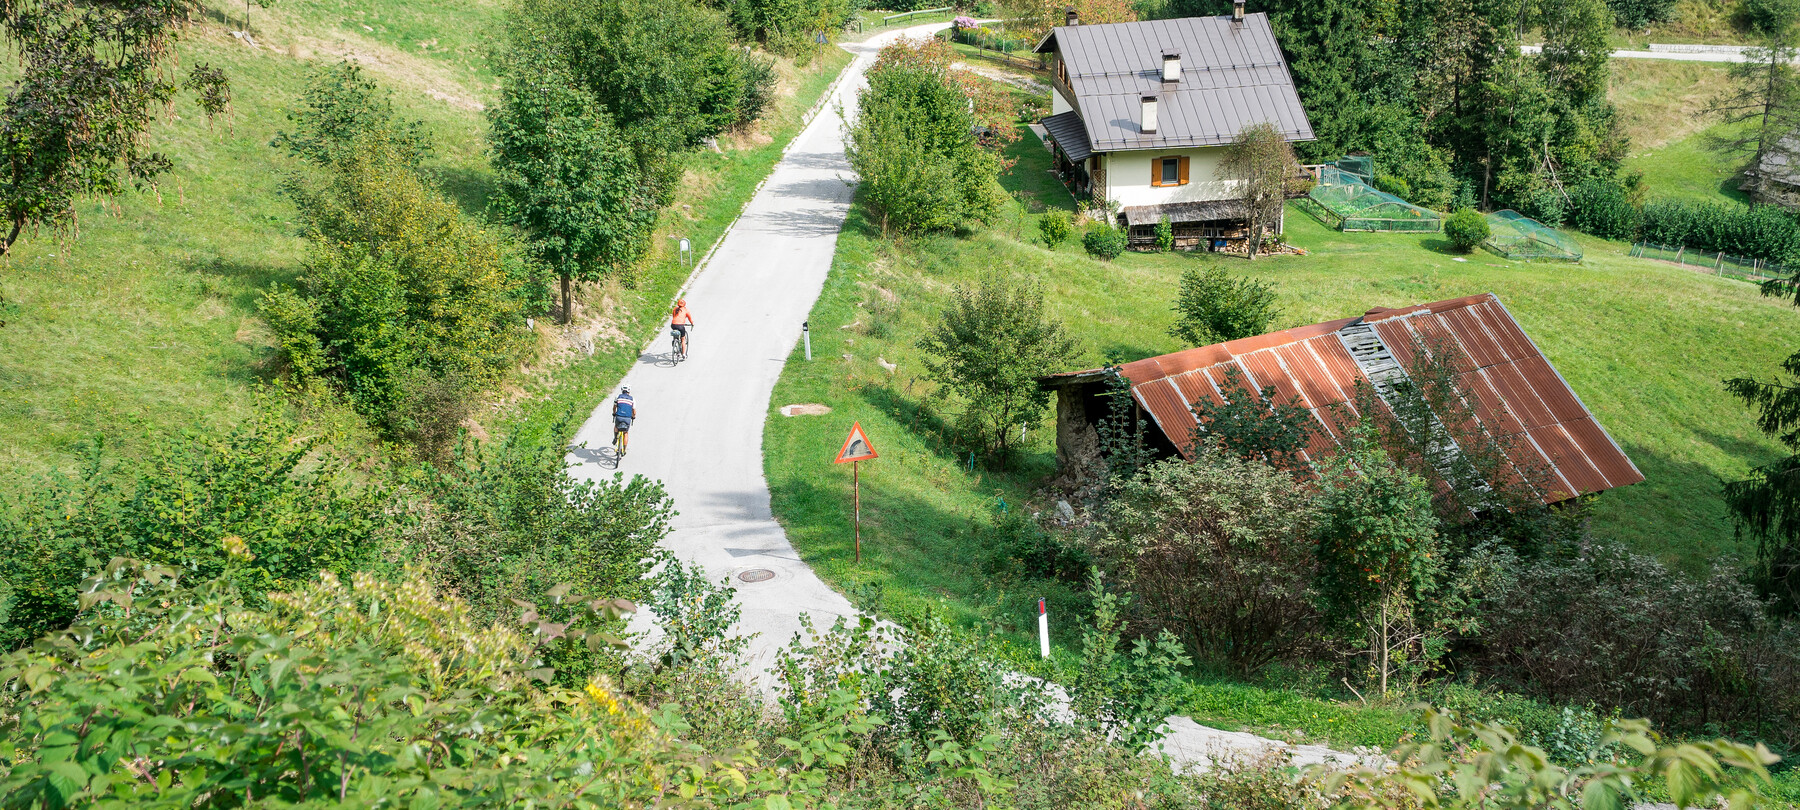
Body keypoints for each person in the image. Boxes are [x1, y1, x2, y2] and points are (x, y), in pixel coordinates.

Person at [612, 387, 636, 456]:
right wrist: (633, 417)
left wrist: (614, 413)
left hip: (619, 417)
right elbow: (634, 411)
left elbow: (614, 407)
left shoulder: (618, 397)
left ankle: (615, 438)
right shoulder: (632, 399)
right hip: (627, 418)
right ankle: (624, 450)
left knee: (616, 427)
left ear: (622, 390)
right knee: (625, 433)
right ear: (629, 391)